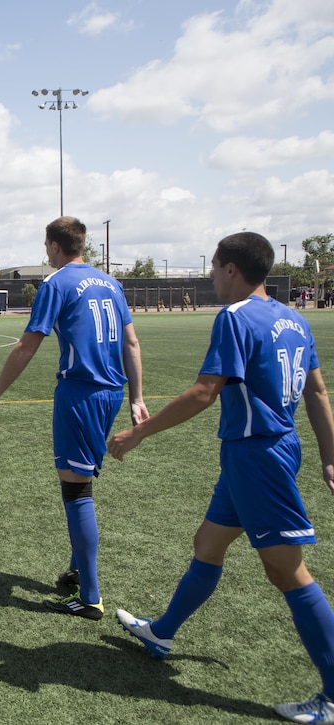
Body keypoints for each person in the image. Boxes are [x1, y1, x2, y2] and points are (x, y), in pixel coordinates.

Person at [108, 232, 334, 723]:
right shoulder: (294, 318)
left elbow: (205, 392)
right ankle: (162, 632)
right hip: (262, 451)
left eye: (213, 267)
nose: (211, 276)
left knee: (286, 570)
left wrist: (138, 434)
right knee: (208, 543)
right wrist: (329, 457)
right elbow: (317, 392)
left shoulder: (235, 316)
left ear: (232, 269)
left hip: (258, 456)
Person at [0, 216, 149, 620]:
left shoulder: (56, 284)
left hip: (80, 392)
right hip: (112, 391)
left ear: (55, 246)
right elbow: (132, 341)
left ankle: (90, 596)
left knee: (76, 488)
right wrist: (137, 397)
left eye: (45, 245)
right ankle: (77, 566)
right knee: (82, 479)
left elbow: (26, 346)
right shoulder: (111, 282)